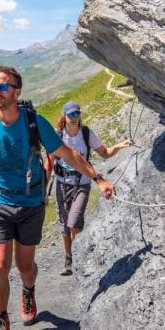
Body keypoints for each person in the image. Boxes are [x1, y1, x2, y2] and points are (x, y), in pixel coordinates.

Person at [0, 66, 116, 330]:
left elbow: (68, 154)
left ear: (17, 91)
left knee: (25, 266)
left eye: (2, 87)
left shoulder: (35, 123)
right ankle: (0, 321)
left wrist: (97, 179)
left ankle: (28, 291)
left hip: (31, 202)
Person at [51, 101, 132, 276]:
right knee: (65, 225)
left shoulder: (87, 134)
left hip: (82, 183)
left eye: (76, 114)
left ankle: (79, 253)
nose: (74, 118)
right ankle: (68, 258)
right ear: (64, 116)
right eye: (70, 114)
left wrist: (118, 146)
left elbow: (104, 153)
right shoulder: (57, 135)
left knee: (74, 222)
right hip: (62, 183)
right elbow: (49, 161)